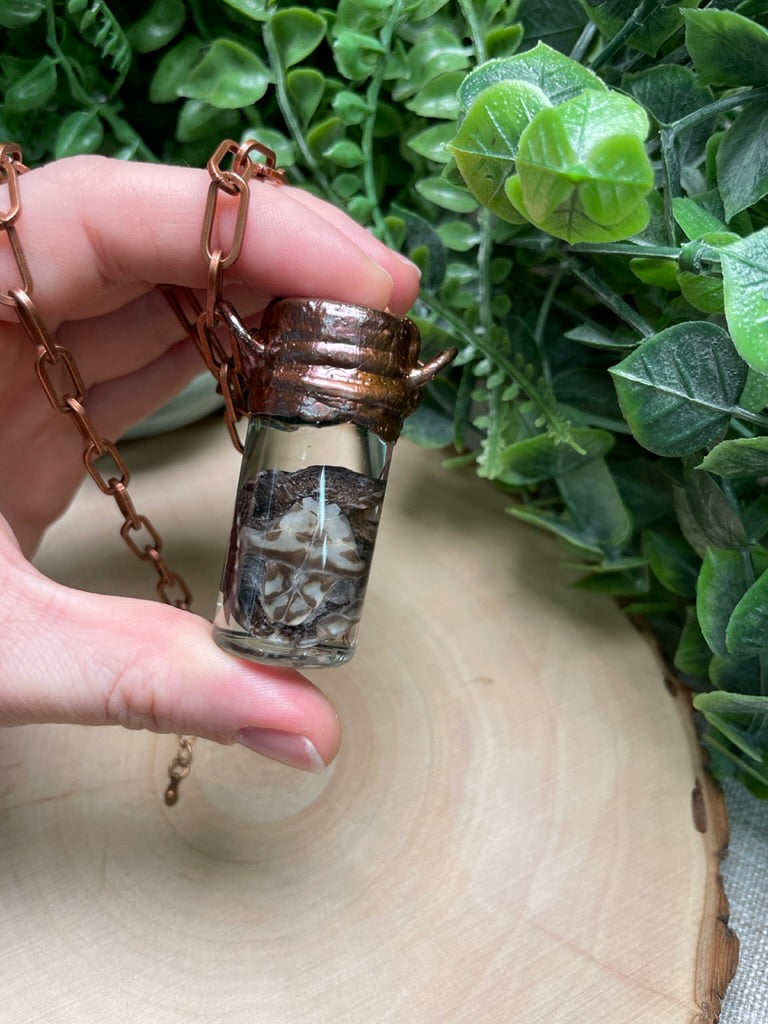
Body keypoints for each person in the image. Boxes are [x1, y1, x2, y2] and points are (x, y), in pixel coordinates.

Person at [0, 154, 421, 774]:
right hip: (254, 606)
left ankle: (306, 616)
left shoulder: (331, 473)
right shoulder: (285, 459)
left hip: (320, 615)